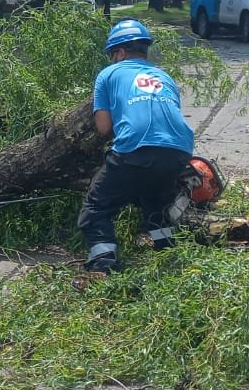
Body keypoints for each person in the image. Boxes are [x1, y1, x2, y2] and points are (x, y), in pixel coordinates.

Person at [76, 19, 194, 273]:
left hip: (136, 147)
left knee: (95, 208)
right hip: (179, 150)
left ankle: (103, 264)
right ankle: (168, 256)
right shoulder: (164, 77)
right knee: (155, 202)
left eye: (112, 55)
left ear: (118, 52)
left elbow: (104, 128)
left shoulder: (107, 74)